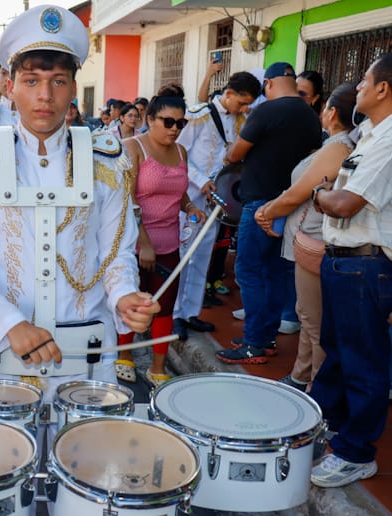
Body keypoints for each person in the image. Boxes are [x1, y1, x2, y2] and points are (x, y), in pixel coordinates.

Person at [0, 4, 159, 430]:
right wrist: (9, 325)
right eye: (32, 81)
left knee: (89, 483)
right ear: (9, 86)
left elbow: (116, 255)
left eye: (58, 81)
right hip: (1, 354)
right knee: (0, 480)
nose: (45, 95)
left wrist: (125, 297)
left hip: (88, 359)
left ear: (73, 87)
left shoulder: (107, 161)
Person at [307, 53, 392, 488]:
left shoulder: (390, 138)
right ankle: (331, 432)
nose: (356, 86)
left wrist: (322, 196)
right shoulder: (372, 135)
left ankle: (357, 452)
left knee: (363, 362)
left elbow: (343, 202)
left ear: (383, 89)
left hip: (364, 263)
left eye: (364, 80)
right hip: (342, 261)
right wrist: (326, 194)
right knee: (337, 352)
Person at [254, 82, 358, 391]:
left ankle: (316, 390)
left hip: (314, 242)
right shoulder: (337, 144)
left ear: (331, 111)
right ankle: (301, 376)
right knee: (307, 315)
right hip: (309, 238)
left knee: (315, 322)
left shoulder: (339, 147)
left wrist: (266, 212)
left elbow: (300, 192)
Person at [215, 62, 322, 364]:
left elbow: (235, 153)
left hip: (260, 205)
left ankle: (254, 343)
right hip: (292, 203)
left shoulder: (267, 110)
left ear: (269, 84)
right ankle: (266, 337)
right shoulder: (309, 115)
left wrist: (232, 153)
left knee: (248, 271)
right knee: (275, 273)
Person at [116, 90, 206, 387]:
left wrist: (191, 207)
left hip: (170, 242)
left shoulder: (181, 152)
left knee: (165, 305)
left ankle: (157, 367)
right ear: (149, 119)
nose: (174, 129)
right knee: (133, 302)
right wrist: (143, 243)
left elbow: (178, 190)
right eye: (168, 122)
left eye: (181, 124)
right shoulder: (132, 147)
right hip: (133, 243)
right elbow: (126, 200)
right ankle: (124, 356)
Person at [170, 72, 260, 342]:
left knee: (203, 256)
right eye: (241, 102)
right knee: (185, 254)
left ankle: (191, 312)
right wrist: (201, 182)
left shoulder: (241, 120)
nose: (244, 109)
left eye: (248, 105)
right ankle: (175, 315)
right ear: (229, 93)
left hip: (219, 196)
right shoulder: (199, 115)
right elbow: (179, 154)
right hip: (191, 195)